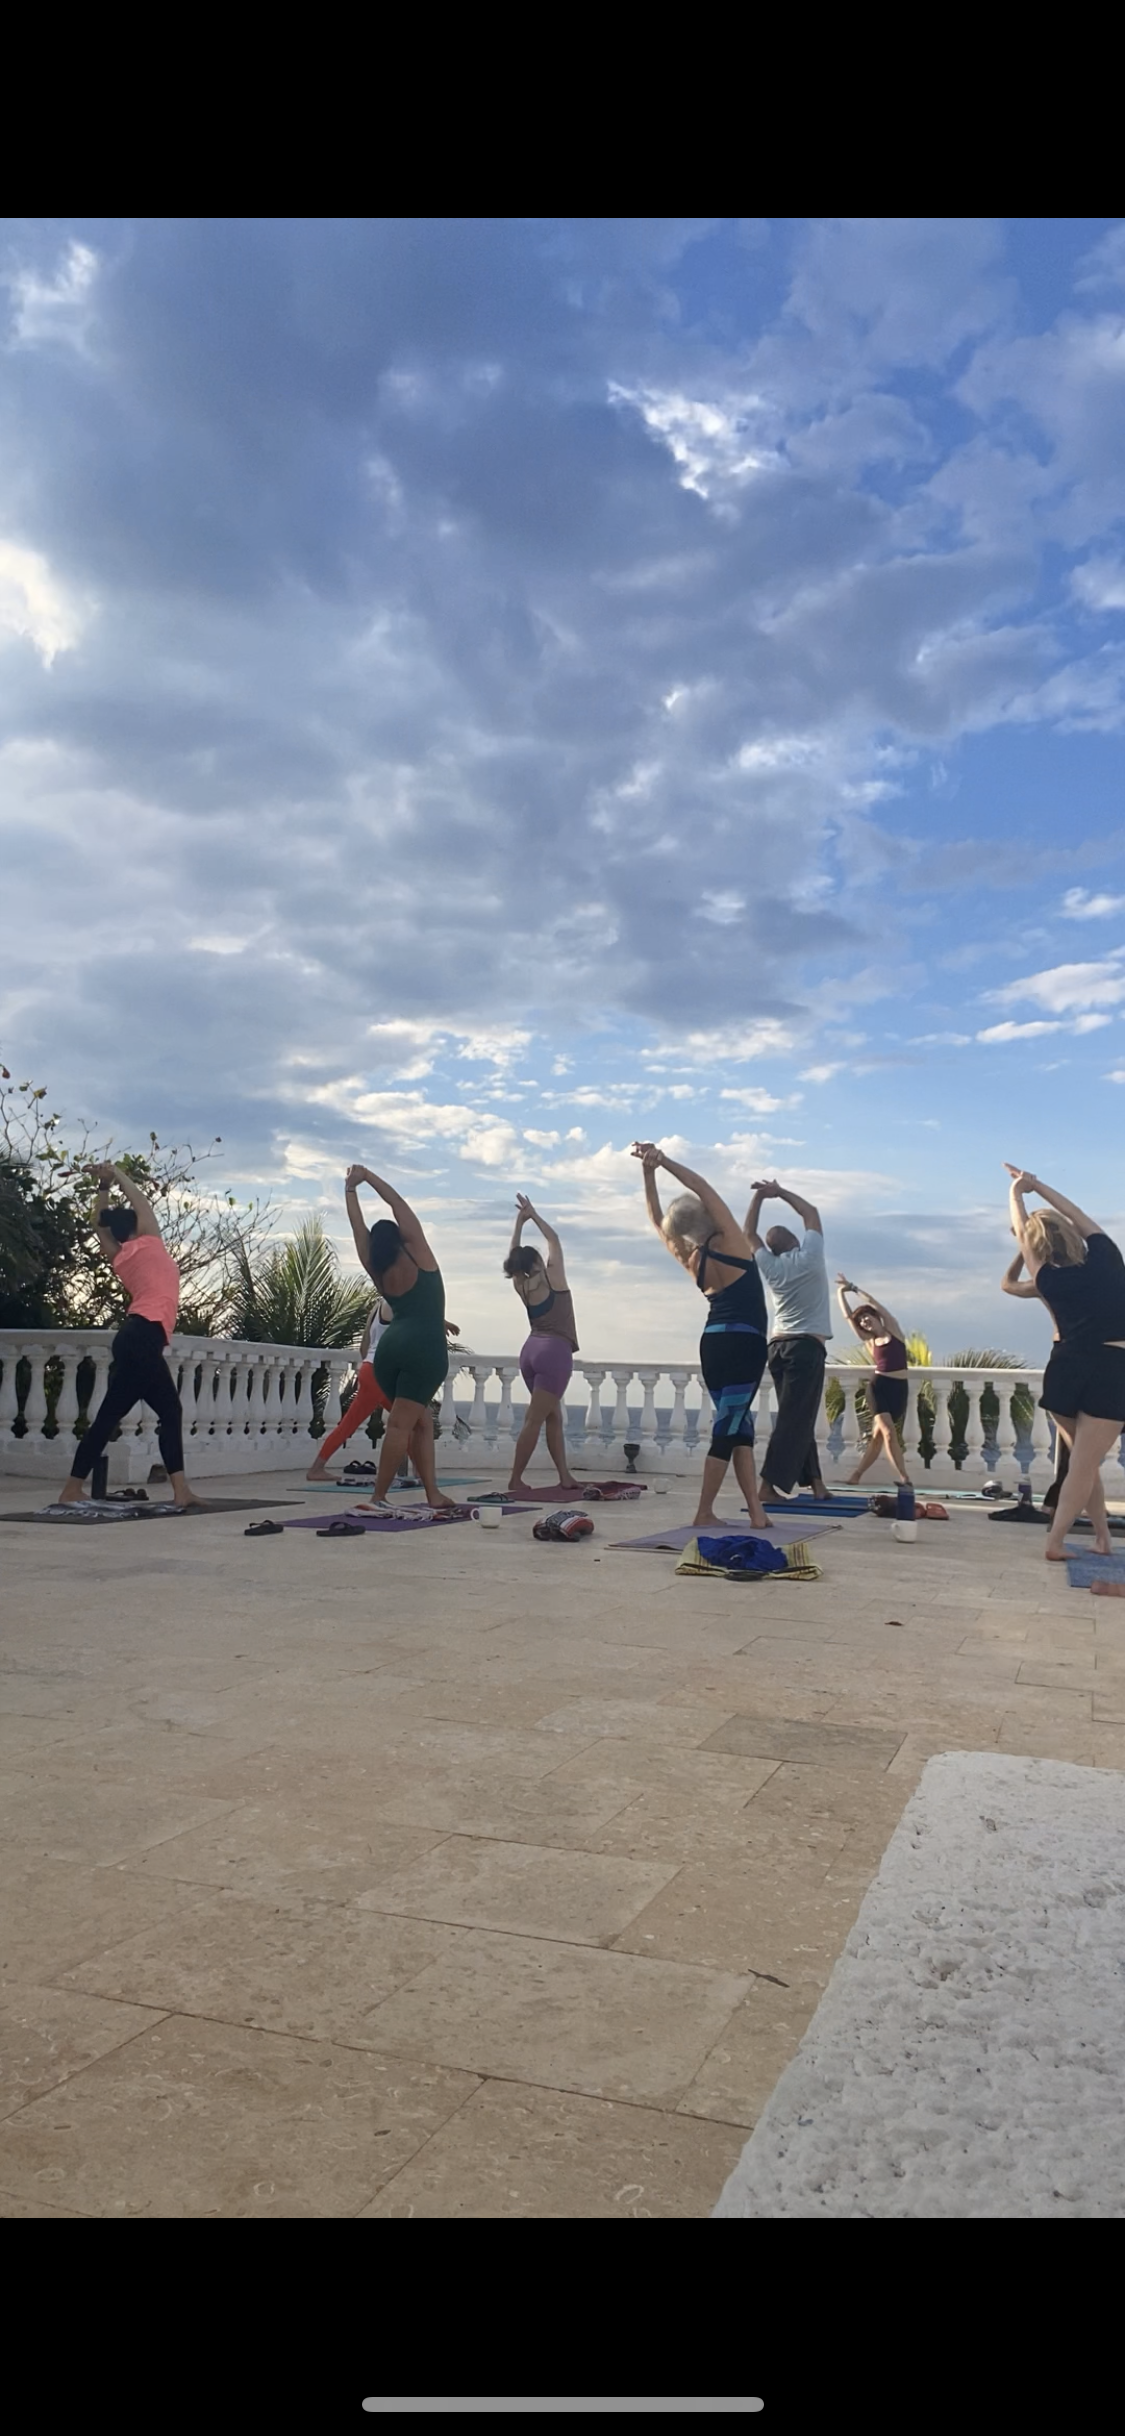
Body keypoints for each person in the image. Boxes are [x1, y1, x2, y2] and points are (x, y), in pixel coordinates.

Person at [633, 1141, 768, 1530]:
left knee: (738, 1426)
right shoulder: (733, 1241)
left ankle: (757, 1512)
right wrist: (664, 1161)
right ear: (705, 1214)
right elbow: (702, 1184)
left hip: (714, 1343)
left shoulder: (692, 1258)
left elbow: (657, 1221)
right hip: (744, 1344)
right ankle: (704, 1511)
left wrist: (648, 1173)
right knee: (728, 1430)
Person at [56, 1163, 201, 1510]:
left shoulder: (120, 1256)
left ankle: (179, 1490)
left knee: (157, 1410)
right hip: (144, 1336)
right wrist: (116, 1173)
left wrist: (102, 1187)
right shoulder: (149, 1242)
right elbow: (139, 1200)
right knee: (142, 1412)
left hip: (135, 1337)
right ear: (136, 1227)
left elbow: (99, 1224)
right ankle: (73, 1487)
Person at [1005, 1164, 1125, 1563]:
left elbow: (1023, 1234)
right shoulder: (1107, 1256)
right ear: (1071, 1235)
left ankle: (1103, 1537)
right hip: (1112, 1365)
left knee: (1082, 1463)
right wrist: (1035, 1186)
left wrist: (1017, 1197)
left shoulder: (1045, 1279)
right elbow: (1075, 1212)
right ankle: (1055, 1542)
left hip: (1067, 1366)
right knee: (1085, 1464)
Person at [342, 1164, 456, 1511]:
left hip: (389, 1351)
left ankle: (432, 1493)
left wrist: (350, 1191)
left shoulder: (373, 1264)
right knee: (401, 1425)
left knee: (420, 1422)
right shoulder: (418, 1250)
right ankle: (378, 1497)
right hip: (424, 1347)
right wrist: (368, 1178)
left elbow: (357, 1229)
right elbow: (397, 1203)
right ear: (400, 1237)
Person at [744, 1179, 832, 1503]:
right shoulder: (810, 1255)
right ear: (795, 1240)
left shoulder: (770, 1266)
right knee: (795, 1419)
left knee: (799, 1416)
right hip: (805, 1347)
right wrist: (778, 1192)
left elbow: (748, 1235)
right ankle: (767, 1487)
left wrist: (757, 1199)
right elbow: (810, 1212)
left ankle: (817, 1484)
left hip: (777, 1347)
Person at [307, 1301, 461, 1483]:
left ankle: (316, 1468)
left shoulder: (377, 1308)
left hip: (369, 1369)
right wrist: (441, 1322)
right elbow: (415, 1317)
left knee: (350, 1423)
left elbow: (365, 1345)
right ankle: (421, 1472)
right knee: (414, 1420)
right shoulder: (395, 1303)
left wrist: (368, 1369)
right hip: (378, 1372)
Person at [504, 1194, 582, 1495]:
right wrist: (533, 1215)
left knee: (553, 1417)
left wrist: (518, 1224)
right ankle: (514, 1480)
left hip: (531, 1351)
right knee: (534, 1420)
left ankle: (564, 1475)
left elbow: (513, 1257)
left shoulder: (520, 1284)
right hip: (554, 1353)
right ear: (537, 1262)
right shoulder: (553, 1276)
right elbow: (555, 1239)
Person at [1001, 1244, 1069, 1512]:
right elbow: (1008, 1285)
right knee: (1078, 1435)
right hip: (1085, 1353)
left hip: (1069, 1351)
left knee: (1075, 1435)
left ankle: (1067, 1497)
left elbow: (1008, 1284)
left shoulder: (1050, 1283)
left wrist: (1022, 1248)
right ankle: (1066, 1498)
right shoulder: (1085, 1280)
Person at [836, 1278, 912, 1486]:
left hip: (899, 1390)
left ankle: (856, 1475)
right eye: (861, 1321)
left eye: (866, 1317)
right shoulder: (869, 1341)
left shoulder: (894, 1331)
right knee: (888, 1433)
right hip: (878, 1388)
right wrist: (840, 1294)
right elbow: (847, 1318)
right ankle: (904, 1477)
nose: (864, 1322)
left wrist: (854, 1288)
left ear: (875, 1317)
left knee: (878, 1437)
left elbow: (876, 1303)